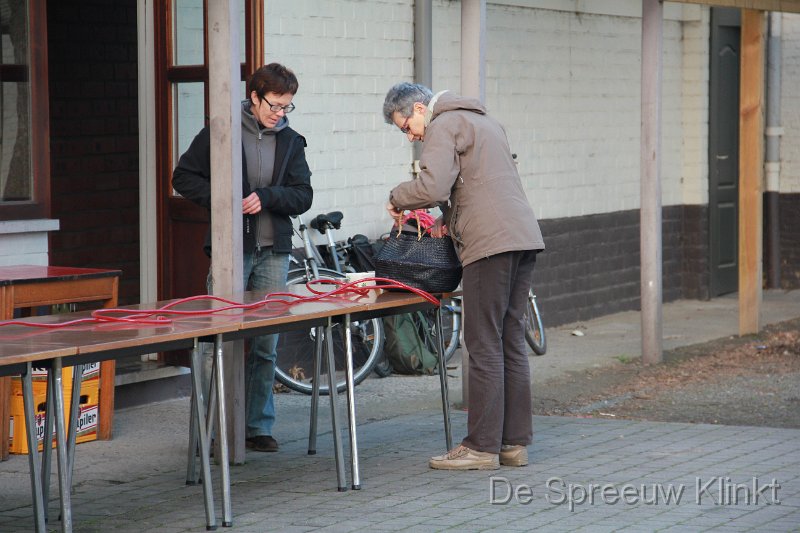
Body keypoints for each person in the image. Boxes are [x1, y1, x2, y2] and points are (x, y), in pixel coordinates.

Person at [382, 82, 545, 470]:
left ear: (418, 109)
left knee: (483, 341)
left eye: (406, 127)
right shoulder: (484, 122)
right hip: (522, 236)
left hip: (488, 245)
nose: (411, 136)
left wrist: (396, 197)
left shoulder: (443, 125)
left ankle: (481, 447)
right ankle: (513, 444)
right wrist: (449, 217)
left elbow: (433, 185)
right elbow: (480, 184)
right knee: (509, 338)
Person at [173, 63, 313, 452]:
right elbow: (183, 178)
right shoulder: (222, 132)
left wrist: (266, 197)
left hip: (274, 252)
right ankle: (209, 429)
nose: (279, 113)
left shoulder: (291, 141)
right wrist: (224, 199)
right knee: (217, 340)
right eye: (274, 105)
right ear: (254, 96)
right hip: (232, 250)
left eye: (287, 106)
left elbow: (303, 195)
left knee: (266, 343)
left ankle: (257, 426)